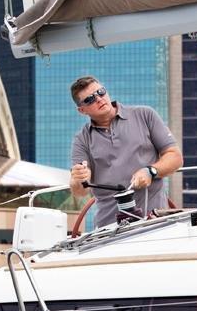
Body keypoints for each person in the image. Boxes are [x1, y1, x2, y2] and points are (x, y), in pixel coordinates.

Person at [68, 76, 182, 226]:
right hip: (110, 228)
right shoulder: (82, 140)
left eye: (100, 92)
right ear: (82, 110)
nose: (99, 99)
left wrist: (150, 171)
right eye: (90, 99)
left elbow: (175, 157)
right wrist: (78, 179)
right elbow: (80, 191)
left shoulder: (145, 115)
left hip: (155, 220)